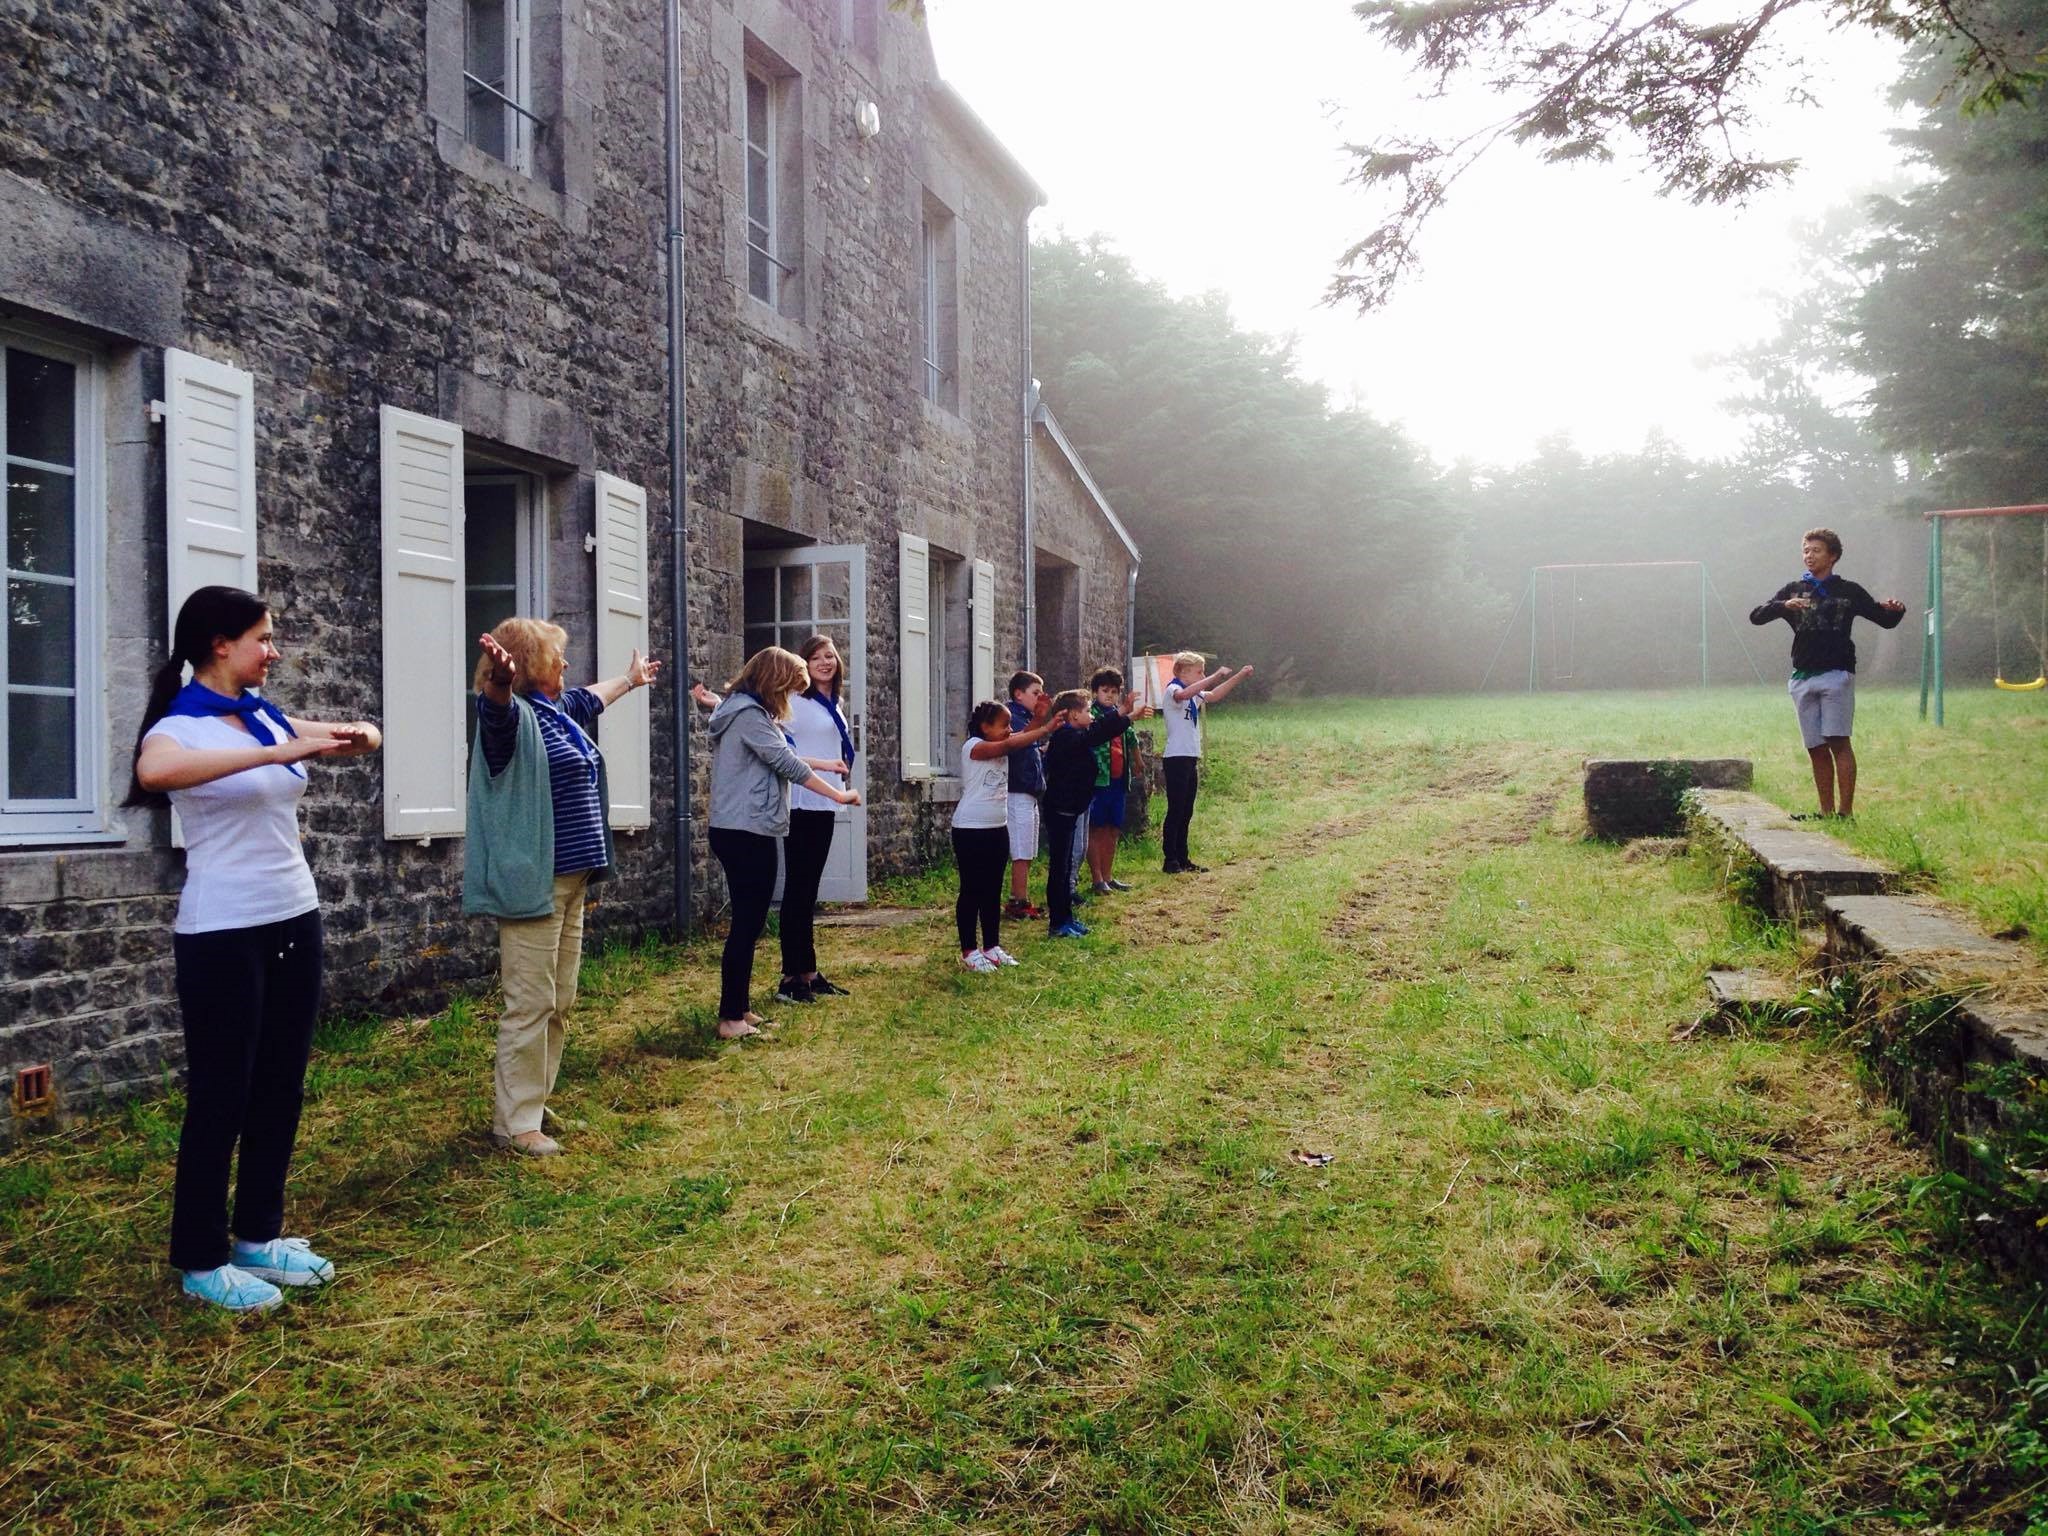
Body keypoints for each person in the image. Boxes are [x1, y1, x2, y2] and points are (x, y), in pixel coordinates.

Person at [127, 586, 382, 1313]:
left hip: (292, 915)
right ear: (219, 644)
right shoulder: (182, 727)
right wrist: (280, 748)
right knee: (222, 1094)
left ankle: (257, 1238)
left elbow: (350, 734)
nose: (273, 651)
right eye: (263, 639)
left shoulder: (258, 713)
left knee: (281, 1082)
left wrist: (358, 733)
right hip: (223, 929)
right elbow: (155, 775)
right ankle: (201, 1259)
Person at [465, 618, 661, 1157]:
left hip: (572, 880)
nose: (566, 665)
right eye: (556, 657)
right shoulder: (510, 716)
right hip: (535, 883)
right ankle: (515, 1124)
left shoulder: (554, 712)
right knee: (530, 1001)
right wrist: (499, 682)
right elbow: (497, 709)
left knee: (560, 998)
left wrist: (631, 679)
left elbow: (589, 699)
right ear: (529, 665)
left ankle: (530, 1099)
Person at [704, 648, 861, 1038]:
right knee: (746, 924)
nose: (789, 698)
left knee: (751, 921)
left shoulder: (749, 713)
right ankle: (730, 1019)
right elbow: (787, 763)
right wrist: (837, 795)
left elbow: (786, 754)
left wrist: (827, 769)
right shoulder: (749, 717)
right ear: (773, 681)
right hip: (744, 830)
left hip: (749, 827)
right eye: (788, 687)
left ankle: (740, 1008)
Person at [1749, 527, 1907, 819]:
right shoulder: (1793, 590)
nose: (1809, 556)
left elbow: (1884, 620)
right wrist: (1783, 605)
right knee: (1815, 747)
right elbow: (1756, 616)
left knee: (1838, 741)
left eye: (1816, 551)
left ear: (1833, 556)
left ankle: (1845, 814)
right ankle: (1825, 812)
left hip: (1837, 674)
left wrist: (1897, 610)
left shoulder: (1849, 591)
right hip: (1801, 677)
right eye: (1806, 551)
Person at [776, 635, 858, 1005]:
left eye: (830, 656)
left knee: (809, 890)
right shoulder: (793, 701)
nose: (825, 662)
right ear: (803, 664)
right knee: (798, 889)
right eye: (815, 657)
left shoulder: (834, 703)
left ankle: (808, 970)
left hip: (824, 803)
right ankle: (790, 976)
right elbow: (780, 747)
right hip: (801, 802)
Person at [954, 699, 1061, 971]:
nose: (1009, 730)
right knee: (972, 890)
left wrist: (1038, 719)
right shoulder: (974, 747)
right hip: (970, 828)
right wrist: (1045, 728)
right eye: (1004, 725)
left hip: (997, 827)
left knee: (992, 890)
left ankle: (991, 947)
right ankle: (969, 950)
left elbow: (1020, 736)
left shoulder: (1001, 737)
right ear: (985, 726)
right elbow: (1011, 744)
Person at [1043, 687, 1150, 938]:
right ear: (1072, 715)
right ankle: (1058, 922)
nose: (1091, 714)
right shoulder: (1065, 737)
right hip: (1061, 810)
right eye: (1087, 710)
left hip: (1070, 809)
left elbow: (1099, 732)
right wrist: (1123, 712)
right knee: (1060, 869)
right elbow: (1098, 733)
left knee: (1066, 866)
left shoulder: (1076, 734)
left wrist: (1123, 716)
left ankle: (1066, 917)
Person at [1161, 652, 1253, 873]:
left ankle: (1183, 857)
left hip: (1190, 756)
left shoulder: (1196, 694)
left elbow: (1213, 695)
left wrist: (1238, 676)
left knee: (1187, 809)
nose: (1202, 675)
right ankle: (1170, 858)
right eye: (1198, 671)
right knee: (1175, 809)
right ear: (1183, 671)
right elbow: (1183, 695)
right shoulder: (1173, 689)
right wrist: (1213, 675)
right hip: (1176, 757)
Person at [1086, 667, 1143, 894]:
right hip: (1099, 780)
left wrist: (1138, 760)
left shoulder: (1121, 717)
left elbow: (1130, 737)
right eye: (1104, 691)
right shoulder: (1093, 714)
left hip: (1119, 779)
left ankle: (1109, 876)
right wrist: (1123, 713)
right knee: (1097, 828)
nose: (1109, 695)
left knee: (1113, 828)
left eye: (1114, 691)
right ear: (1095, 692)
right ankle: (1097, 877)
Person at [1003, 670, 1049, 920]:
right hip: (1017, 791)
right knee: (1020, 848)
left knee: (1028, 848)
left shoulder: (1028, 718)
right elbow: (1016, 742)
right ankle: (1016, 900)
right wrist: (1042, 723)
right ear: (1018, 694)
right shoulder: (1012, 718)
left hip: (1029, 791)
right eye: (1035, 693)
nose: (1040, 698)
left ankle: (1022, 896)